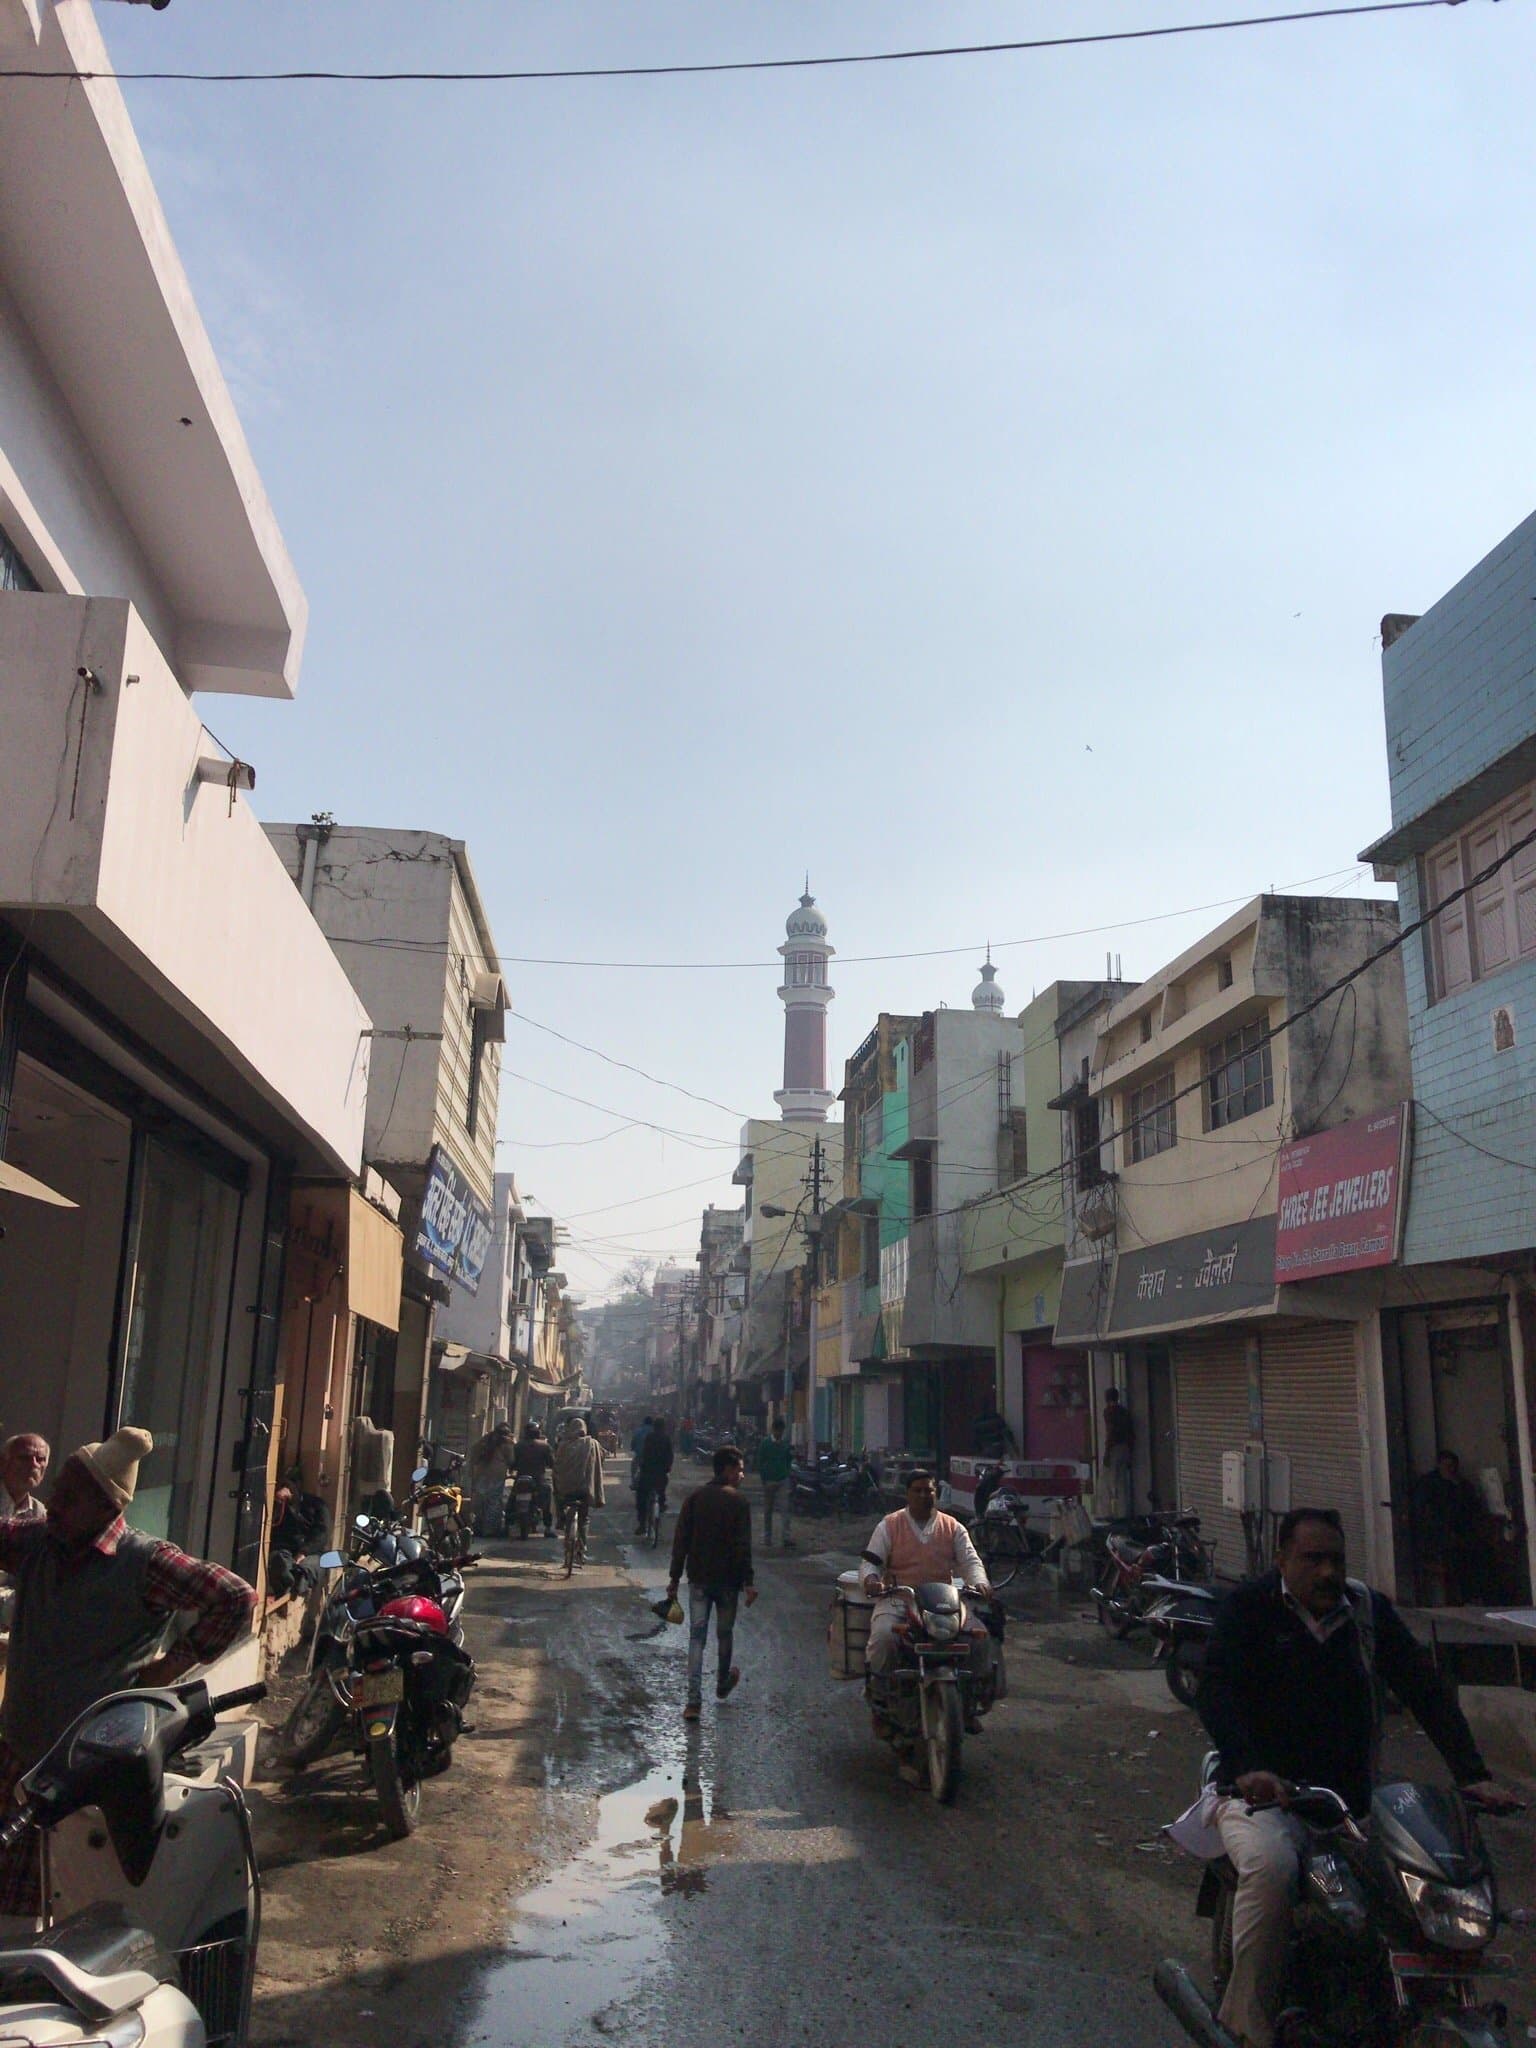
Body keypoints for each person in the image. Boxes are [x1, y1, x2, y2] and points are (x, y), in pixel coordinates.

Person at [1196, 1506, 1519, 2048]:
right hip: (1262, 1800)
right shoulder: (1249, 1607)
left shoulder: (1366, 1612)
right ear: (1282, 1558)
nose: (1327, 1572)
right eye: (1312, 1559)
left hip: (1352, 1804)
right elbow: (1215, 1688)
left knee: (1415, 1888)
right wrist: (1249, 1766)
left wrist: (1472, 1774)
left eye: (1336, 1560)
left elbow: (1424, 1689)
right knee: (1273, 1870)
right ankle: (1246, 2026)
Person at [0, 1427, 257, 1916]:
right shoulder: (39, 1542)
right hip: (20, 1754)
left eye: (69, 1498)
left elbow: (235, 1597)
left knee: (80, 1901)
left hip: (94, 1773)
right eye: (57, 1492)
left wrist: (170, 1666)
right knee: (10, 1905)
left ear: (106, 1507)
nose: (54, 1505)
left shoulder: (145, 1562)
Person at [860, 1470, 995, 1729]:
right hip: (900, 1598)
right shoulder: (889, 1525)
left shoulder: (953, 1527)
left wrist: (980, 1583)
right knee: (884, 1637)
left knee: (979, 1637)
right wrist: (871, 1580)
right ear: (907, 1494)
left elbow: (970, 1561)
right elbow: (870, 1562)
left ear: (936, 1493)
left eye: (929, 1490)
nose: (924, 1495)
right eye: (918, 1491)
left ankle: (970, 1702)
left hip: (942, 1602)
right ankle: (880, 1697)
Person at [665, 1444, 757, 1722]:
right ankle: (721, 1684)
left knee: (697, 1638)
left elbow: (681, 1541)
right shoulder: (739, 1503)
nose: (742, 1475)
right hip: (728, 1582)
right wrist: (748, 1582)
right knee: (724, 1634)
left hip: (699, 1580)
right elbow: (743, 1547)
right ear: (727, 1470)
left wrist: (674, 1578)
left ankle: (693, 1702)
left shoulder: (695, 1498)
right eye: (739, 1470)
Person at [1411, 1450, 1483, 1606]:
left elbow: (1471, 1505)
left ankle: (1467, 1596)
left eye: (1453, 1466)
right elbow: (1423, 1509)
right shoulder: (1429, 1483)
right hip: (1438, 1534)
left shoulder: (1461, 1484)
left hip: (1461, 1531)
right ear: (1439, 1465)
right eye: (1447, 1465)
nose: (1450, 1469)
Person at [552, 1417, 605, 1551]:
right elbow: (602, 1456)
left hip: (565, 1488)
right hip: (584, 1489)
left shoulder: (563, 1445)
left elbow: (557, 1464)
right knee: (584, 1518)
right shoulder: (592, 1443)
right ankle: (583, 1546)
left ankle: (561, 1519)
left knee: (558, 1496)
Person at [467, 1422, 517, 1535]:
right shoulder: (507, 1443)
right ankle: (490, 1529)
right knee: (493, 1502)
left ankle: (477, 1527)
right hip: (496, 1475)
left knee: (480, 1500)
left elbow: (474, 1453)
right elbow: (511, 1460)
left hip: (480, 1474)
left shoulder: (485, 1440)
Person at [755, 1417, 794, 1549]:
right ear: (773, 1430)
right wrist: (764, 1479)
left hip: (783, 1479)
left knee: (785, 1510)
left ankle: (786, 1538)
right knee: (768, 1510)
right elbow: (760, 1462)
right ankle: (767, 1538)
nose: (779, 1434)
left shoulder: (785, 1444)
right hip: (769, 1481)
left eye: (781, 1431)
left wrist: (786, 1472)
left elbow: (788, 1459)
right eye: (778, 1431)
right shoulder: (765, 1444)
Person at [513, 1420, 557, 1538]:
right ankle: (548, 1527)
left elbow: (512, 1464)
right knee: (547, 1501)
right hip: (538, 1479)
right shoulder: (544, 1446)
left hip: (521, 1478)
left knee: (512, 1500)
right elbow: (552, 1463)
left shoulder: (518, 1446)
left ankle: (508, 1523)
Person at [636, 1417, 674, 1536]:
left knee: (641, 1497)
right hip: (661, 1475)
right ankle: (661, 1504)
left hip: (647, 1473)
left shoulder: (650, 1437)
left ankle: (642, 1525)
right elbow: (670, 1456)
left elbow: (644, 1454)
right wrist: (667, 1469)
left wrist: (642, 1465)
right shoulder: (666, 1438)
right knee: (661, 1491)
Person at [1100, 1387, 1133, 1520]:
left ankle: (1107, 1513)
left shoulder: (1109, 1412)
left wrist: (1107, 1452)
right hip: (1125, 1448)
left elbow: (1111, 1432)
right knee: (1121, 1482)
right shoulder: (1125, 1412)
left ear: (1107, 1398)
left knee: (1107, 1481)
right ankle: (1122, 1513)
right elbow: (1131, 1433)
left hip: (1114, 1448)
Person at [0, 1434, 48, 1520]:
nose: (34, 1464)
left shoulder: (39, 1513)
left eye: (40, 1459)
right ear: (3, 1462)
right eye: (25, 1458)